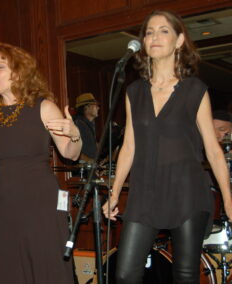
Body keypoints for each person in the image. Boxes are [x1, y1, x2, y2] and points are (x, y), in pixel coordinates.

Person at [102, 10, 232, 284]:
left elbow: (212, 149)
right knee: (125, 273)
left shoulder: (195, 89)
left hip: (187, 189)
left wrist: (229, 201)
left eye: (163, 31)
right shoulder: (134, 92)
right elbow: (128, 148)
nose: (154, 37)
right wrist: (114, 193)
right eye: (149, 32)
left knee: (184, 275)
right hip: (145, 191)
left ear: (179, 40)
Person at [0, 42, 82, 284]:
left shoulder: (44, 107)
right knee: (8, 266)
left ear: (18, 73)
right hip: (5, 204)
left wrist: (75, 134)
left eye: (0, 67)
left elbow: (71, 153)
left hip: (41, 202)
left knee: (44, 265)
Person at [73, 93, 99, 163]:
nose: (98, 108)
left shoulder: (86, 125)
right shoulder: (78, 124)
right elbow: (74, 150)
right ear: (86, 107)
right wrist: (90, 161)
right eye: (95, 105)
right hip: (83, 171)